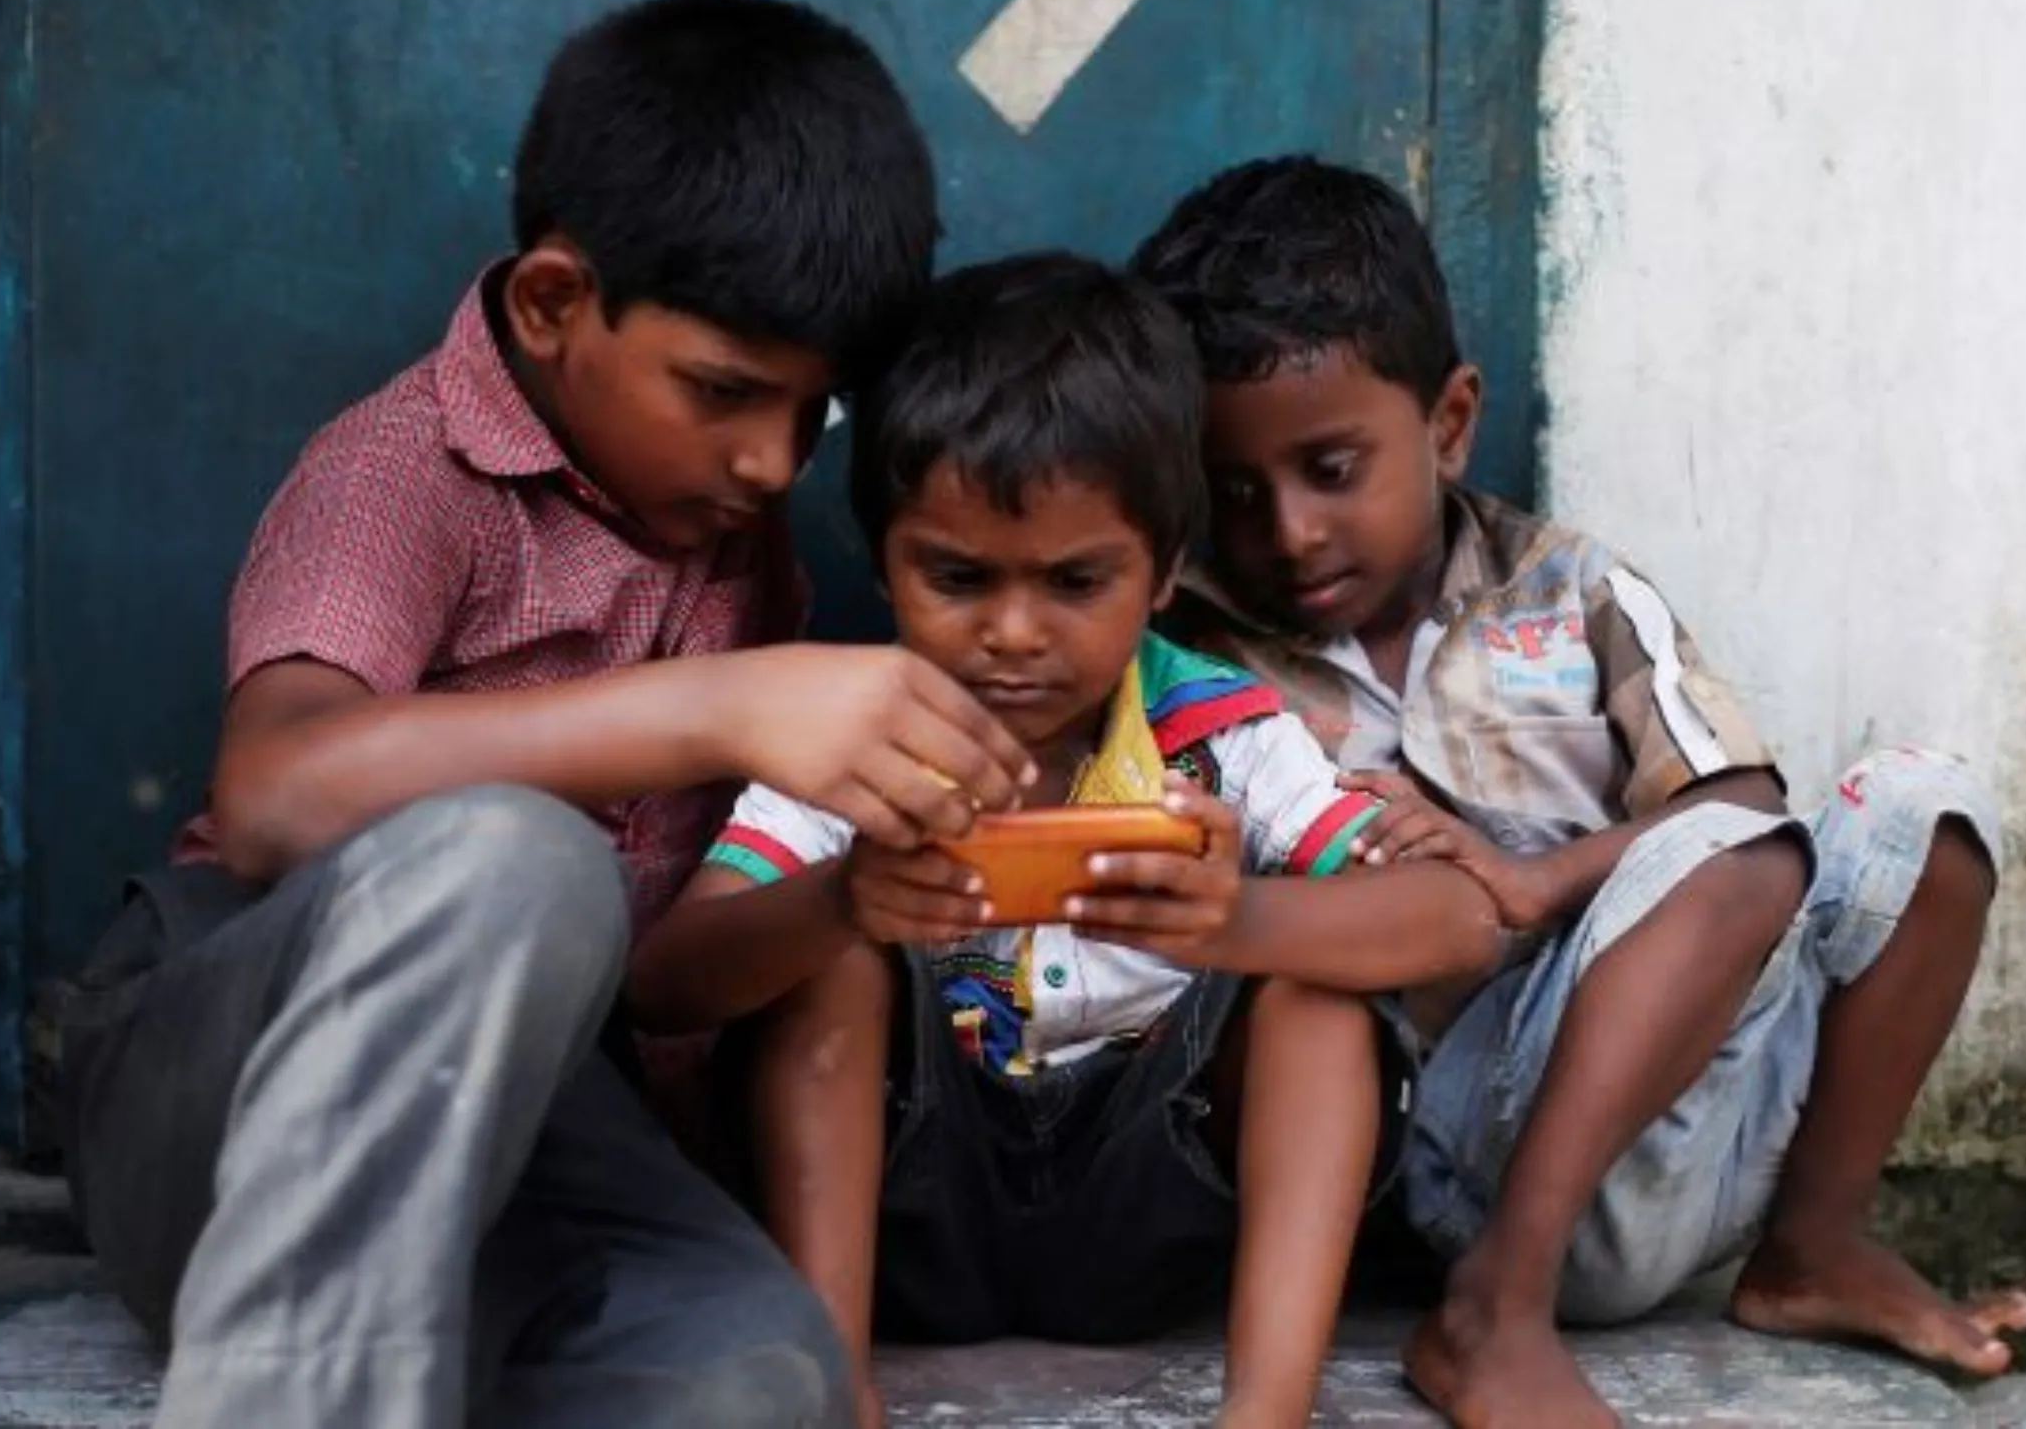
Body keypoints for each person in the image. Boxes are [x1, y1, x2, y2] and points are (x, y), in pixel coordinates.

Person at [56, 0, 1042, 1429]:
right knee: (518, 858)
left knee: (762, 1379)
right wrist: (714, 705)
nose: (772, 462)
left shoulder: (730, 543)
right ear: (553, 302)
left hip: (535, 1139)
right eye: (722, 389)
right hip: (231, 1097)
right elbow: (274, 792)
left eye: (808, 413)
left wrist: (865, 887)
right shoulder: (406, 471)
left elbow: (658, 985)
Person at [1133, 156, 2026, 1429]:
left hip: (1681, 1120)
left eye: (1331, 469)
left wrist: (1535, 878)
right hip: (1454, 1156)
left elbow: (1738, 809)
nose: (1287, 530)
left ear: (1447, 423)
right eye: (1235, 494)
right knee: (1733, 863)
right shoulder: (1200, 658)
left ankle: (1812, 1246)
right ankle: (1493, 1309)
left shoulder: (1567, 586)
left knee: (1920, 813)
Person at [630, 253, 1509, 1429]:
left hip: (1156, 1208)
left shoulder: (1221, 729)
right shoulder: (848, 737)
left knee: (1319, 983)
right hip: (909, 1212)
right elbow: (668, 978)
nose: (1011, 632)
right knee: (824, 959)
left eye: (1075, 580)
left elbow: (1459, 919)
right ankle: (833, 1387)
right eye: (956, 576)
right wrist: (842, 901)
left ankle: (1267, 1410)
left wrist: (1240, 917)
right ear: (885, 555)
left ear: (1160, 574)